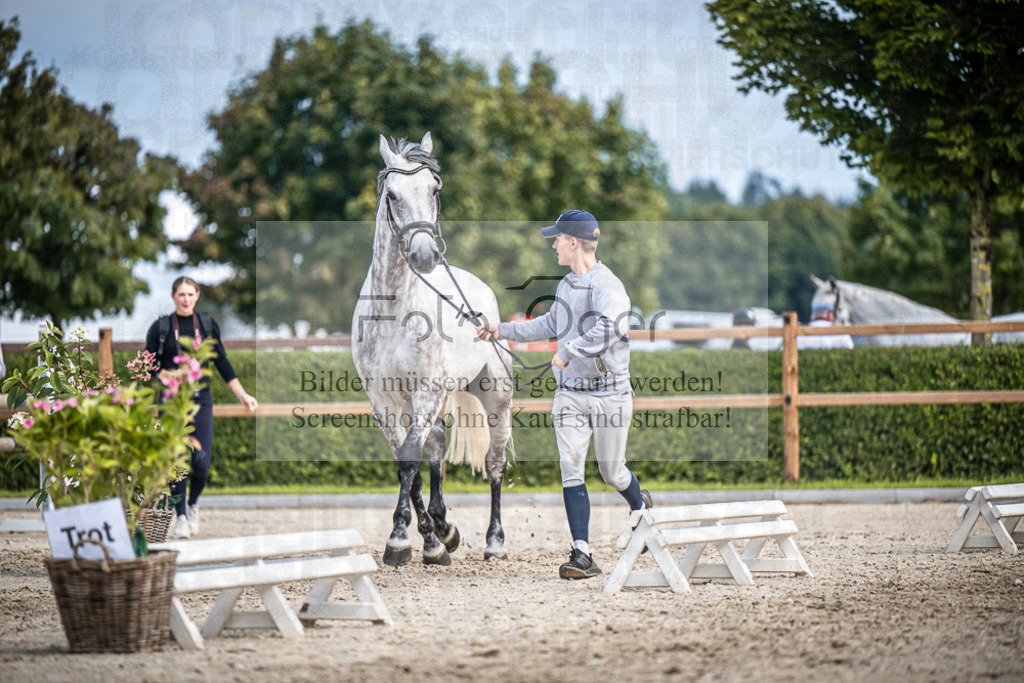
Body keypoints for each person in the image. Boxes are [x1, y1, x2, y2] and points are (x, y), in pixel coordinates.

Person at [475, 210, 652, 580]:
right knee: (570, 466)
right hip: (570, 393)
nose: (553, 244)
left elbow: (612, 326)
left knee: (612, 471)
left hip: (610, 394)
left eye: (557, 238)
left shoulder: (608, 286)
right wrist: (500, 329)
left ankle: (640, 503)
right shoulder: (567, 285)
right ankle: (582, 553)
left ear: (574, 242)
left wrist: (570, 351)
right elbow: (549, 325)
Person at [145, 276, 258, 538]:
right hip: (172, 402)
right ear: (173, 296)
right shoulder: (161, 327)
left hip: (201, 400)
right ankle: (181, 517)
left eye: (190, 294)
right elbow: (149, 363)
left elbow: (222, 362)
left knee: (201, 461)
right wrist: (169, 377)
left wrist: (242, 394)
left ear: (196, 296)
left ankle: (193, 504)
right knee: (177, 461)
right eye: (181, 294)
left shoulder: (206, 325)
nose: (185, 299)